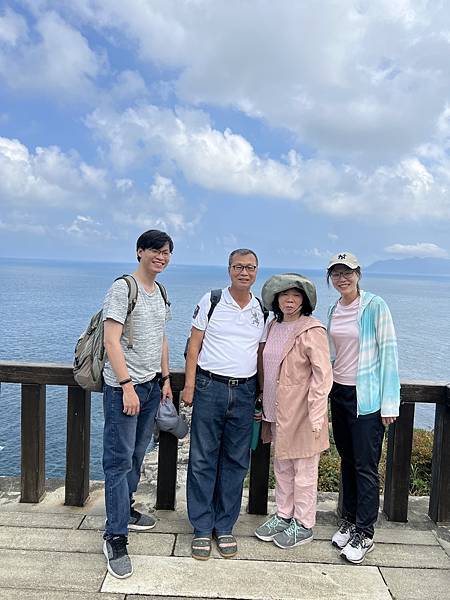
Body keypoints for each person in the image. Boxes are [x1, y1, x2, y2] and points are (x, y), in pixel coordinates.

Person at [183, 249, 265, 560]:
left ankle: (225, 524)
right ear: (229, 269)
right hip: (210, 386)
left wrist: (261, 392)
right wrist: (189, 385)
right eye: (239, 267)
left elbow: (260, 352)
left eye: (250, 267)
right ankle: (202, 527)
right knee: (203, 457)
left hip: (245, 391)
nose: (244, 272)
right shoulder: (212, 300)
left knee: (236, 460)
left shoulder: (261, 308)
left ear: (257, 271)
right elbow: (194, 345)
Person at [102, 229, 173, 578]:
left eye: (166, 253)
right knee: (117, 461)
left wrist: (165, 379)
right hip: (123, 389)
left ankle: (124, 511)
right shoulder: (123, 288)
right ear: (139, 252)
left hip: (149, 388)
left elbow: (161, 337)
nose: (161, 257)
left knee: (134, 455)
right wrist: (127, 385)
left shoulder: (159, 290)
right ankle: (115, 536)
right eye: (155, 251)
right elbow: (111, 341)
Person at [326, 252, 400, 564]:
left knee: (365, 465)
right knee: (347, 460)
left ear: (359, 274)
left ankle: (365, 532)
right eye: (336, 273)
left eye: (348, 272)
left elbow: (389, 353)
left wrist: (389, 402)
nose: (342, 278)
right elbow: (333, 354)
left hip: (366, 397)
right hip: (339, 392)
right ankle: (351, 519)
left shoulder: (375, 306)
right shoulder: (334, 308)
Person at [254, 274, 333, 548]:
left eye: (296, 295)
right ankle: (284, 515)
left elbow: (323, 376)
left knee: (305, 470)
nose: (289, 300)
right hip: (277, 411)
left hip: (303, 412)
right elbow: (266, 367)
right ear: (276, 299)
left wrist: (317, 414)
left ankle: (304, 524)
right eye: (284, 295)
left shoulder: (312, 329)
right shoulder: (272, 326)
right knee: (283, 466)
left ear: (305, 300)